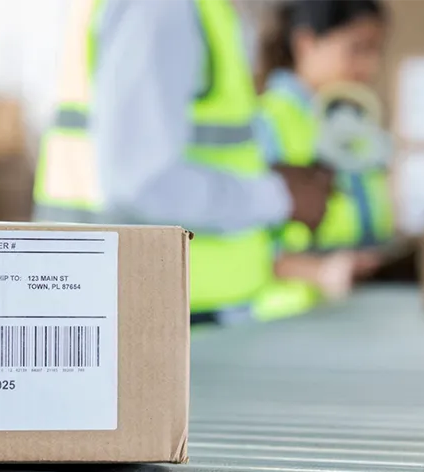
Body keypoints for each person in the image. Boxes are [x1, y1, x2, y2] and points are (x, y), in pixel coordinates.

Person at [34, 0, 334, 325]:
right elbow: (141, 182)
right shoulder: (161, 7)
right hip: (153, 321)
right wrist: (277, 196)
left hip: (158, 315)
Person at [256, 0, 392, 277]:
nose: (370, 66)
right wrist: (318, 272)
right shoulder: (266, 121)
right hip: (290, 312)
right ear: (306, 43)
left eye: (376, 51)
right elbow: (246, 244)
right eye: (357, 49)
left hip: (353, 303)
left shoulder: (355, 122)